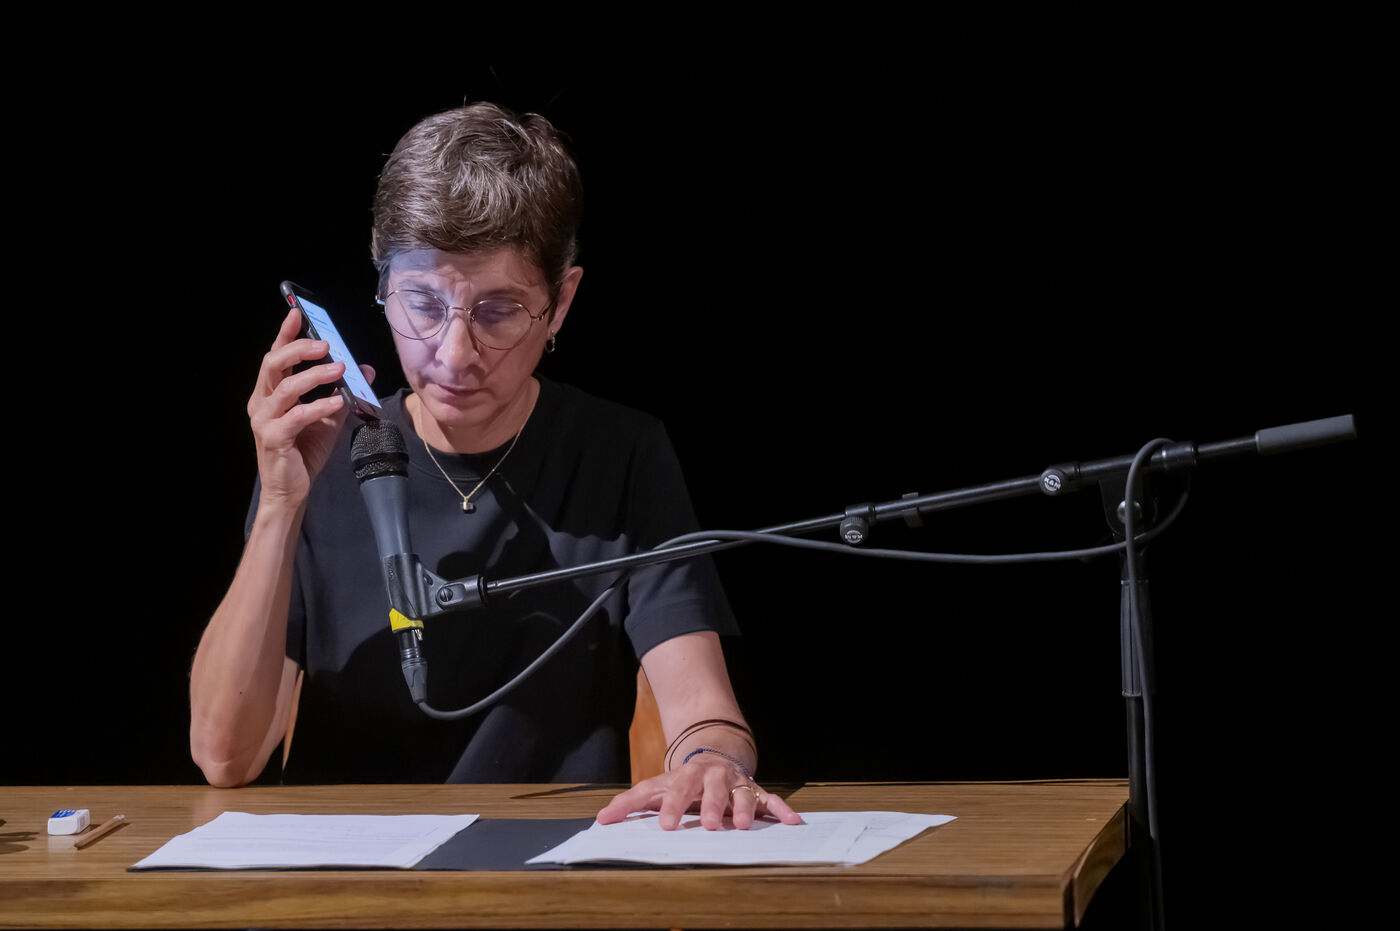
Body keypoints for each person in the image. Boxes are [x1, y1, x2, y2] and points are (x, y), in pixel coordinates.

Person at [189, 102, 799, 831]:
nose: (453, 355)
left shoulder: (619, 454)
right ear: (381, 283)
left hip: (549, 863)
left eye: (498, 311)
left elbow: (703, 708)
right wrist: (281, 504)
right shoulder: (319, 450)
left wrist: (711, 762)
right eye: (422, 304)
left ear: (561, 302)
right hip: (346, 864)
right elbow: (223, 756)